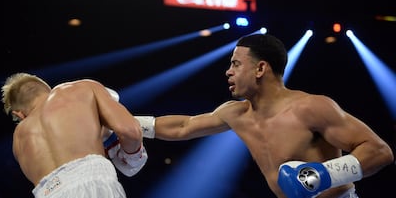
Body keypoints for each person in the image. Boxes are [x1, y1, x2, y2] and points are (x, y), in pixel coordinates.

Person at [134, 33, 394, 198]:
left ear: (260, 68)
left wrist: (319, 176)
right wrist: (128, 123)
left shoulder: (311, 108)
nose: (228, 72)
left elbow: (380, 151)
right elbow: (183, 126)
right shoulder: (235, 113)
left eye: (236, 64)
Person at [1, 73, 148, 198]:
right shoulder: (78, 89)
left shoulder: (17, 140)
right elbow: (130, 131)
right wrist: (133, 156)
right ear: (47, 89)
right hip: (93, 185)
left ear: (18, 114)